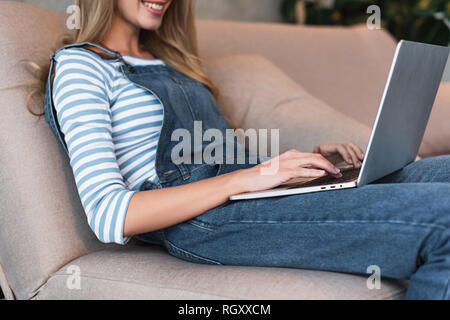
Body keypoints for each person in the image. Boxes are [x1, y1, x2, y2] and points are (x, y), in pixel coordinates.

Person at [27, 0, 450, 299]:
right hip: (204, 220)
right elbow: (108, 214)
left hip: (246, 195)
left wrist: (301, 164)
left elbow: (222, 154)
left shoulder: (176, 66)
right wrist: (251, 178)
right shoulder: (81, 66)